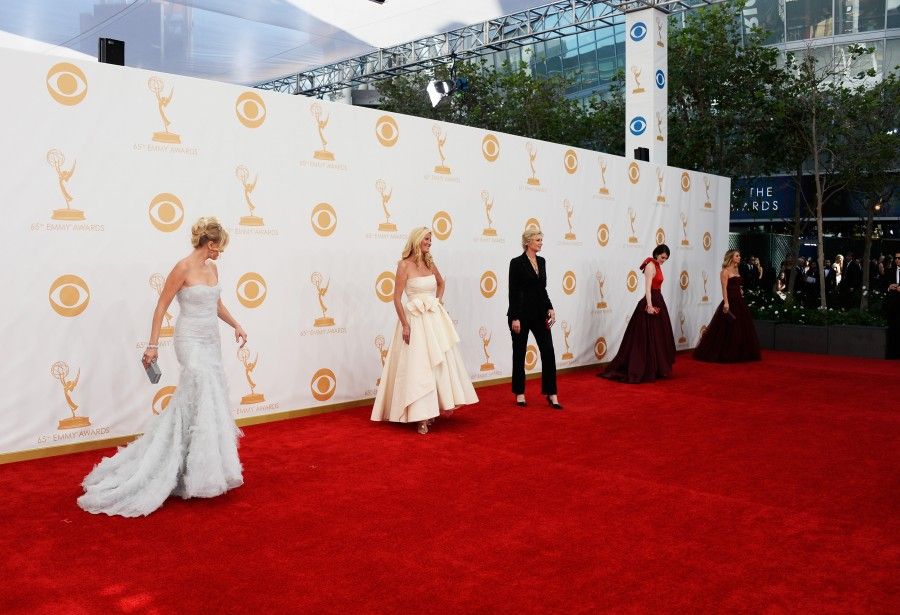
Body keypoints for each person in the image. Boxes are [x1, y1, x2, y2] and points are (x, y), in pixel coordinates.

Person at [78, 217, 247, 517]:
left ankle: (197, 468)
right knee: (201, 386)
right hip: (189, 338)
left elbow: (216, 304)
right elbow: (162, 306)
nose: (221, 252)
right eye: (219, 247)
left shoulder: (213, 269)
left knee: (206, 399)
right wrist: (153, 345)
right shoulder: (182, 268)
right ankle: (175, 465)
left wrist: (236, 324)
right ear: (210, 244)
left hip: (211, 339)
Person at [371, 226, 478, 433]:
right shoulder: (404, 265)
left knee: (436, 364)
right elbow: (396, 297)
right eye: (427, 239)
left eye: (431, 239)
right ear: (417, 240)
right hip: (414, 320)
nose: (430, 242)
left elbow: (440, 283)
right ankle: (420, 416)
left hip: (433, 319)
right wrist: (404, 324)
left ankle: (433, 409)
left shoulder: (430, 262)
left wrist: (436, 302)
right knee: (418, 366)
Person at [601, 244, 676, 383]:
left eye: (666, 259)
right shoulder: (650, 266)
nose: (663, 260)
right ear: (657, 254)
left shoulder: (657, 265)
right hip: (651, 301)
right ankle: (646, 368)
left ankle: (657, 368)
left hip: (658, 300)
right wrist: (649, 305)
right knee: (646, 339)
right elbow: (647, 288)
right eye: (662, 257)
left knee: (658, 337)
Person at [507, 229, 562, 409]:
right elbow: (513, 291)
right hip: (520, 316)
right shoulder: (516, 263)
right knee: (519, 353)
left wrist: (550, 307)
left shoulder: (542, 261)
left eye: (541, 240)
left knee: (548, 352)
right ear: (528, 242)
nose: (540, 243)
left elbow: (542, 289)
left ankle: (552, 393)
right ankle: (520, 393)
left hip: (540, 314)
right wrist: (515, 317)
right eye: (538, 240)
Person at [693, 250, 762, 363]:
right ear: (731, 257)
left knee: (741, 327)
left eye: (739, 255)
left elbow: (737, 284)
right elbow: (724, 288)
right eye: (737, 256)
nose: (739, 257)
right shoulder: (725, 271)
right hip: (730, 300)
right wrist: (726, 302)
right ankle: (725, 353)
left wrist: (740, 289)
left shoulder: (737, 269)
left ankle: (740, 353)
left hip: (739, 300)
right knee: (728, 328)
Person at [886, 252, 900, 359]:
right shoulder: (890, 271)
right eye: (896, 258)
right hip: (893, 306)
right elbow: (882, 284)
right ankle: (892, 354)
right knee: (893, 329)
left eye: (899, 258)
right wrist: (889, 287)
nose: (897, 260)